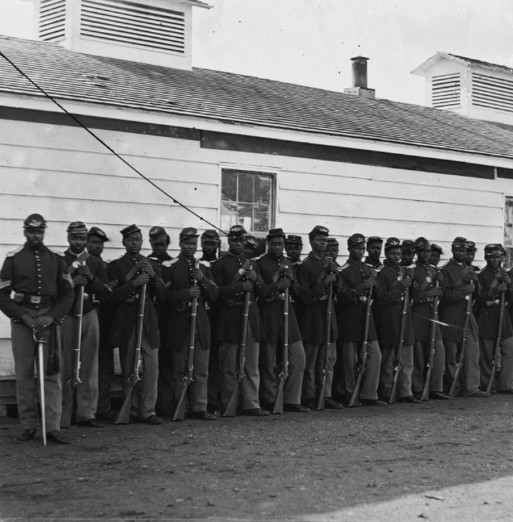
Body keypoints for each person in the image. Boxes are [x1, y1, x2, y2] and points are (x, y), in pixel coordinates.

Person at [0, 214, 74, 443]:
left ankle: (52, 426)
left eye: (39, 231)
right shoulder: (13, 259)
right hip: (23, 321)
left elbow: (67, 293)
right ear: (24, 232)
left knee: (52, 373)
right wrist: (22, 316)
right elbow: (2, 295)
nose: (35, 235)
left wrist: (52, 317)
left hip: (48, 318)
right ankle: (29, 425)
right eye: (31, 231)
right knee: (24, 374)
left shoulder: (56, 259)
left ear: (44, 232)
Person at [107, 224, 166, 424]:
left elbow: (163, 295)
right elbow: (112, 296)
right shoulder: (115, 266)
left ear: (143, 242)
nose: (134, 243)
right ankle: (130, 409)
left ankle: (148, 410)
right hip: (127, 322)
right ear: (124, 242)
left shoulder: (153, 264)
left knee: (151, 367)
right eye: (130, 240)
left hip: (148, 322)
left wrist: (154, 276)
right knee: (129, 366)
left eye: (138, 240)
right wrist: (134, 283)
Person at [211, 225, 269, 416]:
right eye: (234, 240)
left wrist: (256, 280)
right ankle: (230, 403)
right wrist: (239, 287)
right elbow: (216, 293)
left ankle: (251, 404)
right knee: (229, 364)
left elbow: (264, 292)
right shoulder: (220, 264)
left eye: (241, 240)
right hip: (230, 317)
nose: (238, 243)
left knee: (251, 364)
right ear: (229, 241)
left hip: (251, 317)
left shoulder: (252, 264)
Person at [162, 228, 218, 420]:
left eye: (193, 244)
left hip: (200, 322)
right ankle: (181, 406)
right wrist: (186, 294)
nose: (190, 247)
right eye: (187, 243)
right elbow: (163, 297)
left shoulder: (204, 267)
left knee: (201, 368)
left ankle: (199, 407)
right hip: (179, 322)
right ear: (180, 243)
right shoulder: (170, 266)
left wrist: (202, 279)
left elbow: (214, 294)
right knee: (180, 368)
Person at [61, 222, 108, 428]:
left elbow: (106, 292)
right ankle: (64, 412)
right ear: (68, 238)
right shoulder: (60, 261)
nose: (78, 242)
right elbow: (55, 289)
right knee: (66, 364)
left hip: (89, 314)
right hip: (68, 315)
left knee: (89, 365)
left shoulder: (95, 263)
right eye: (74, 238)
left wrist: (90, 277)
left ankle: (86, 413)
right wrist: (72, 281)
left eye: (82, 238)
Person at [257, 228, 309, 413]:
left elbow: (300, 293)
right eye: (273, 243)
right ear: (268, 244)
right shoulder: (260, 263)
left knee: (298, 356)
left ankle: (292, 399)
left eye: (280, 244)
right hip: (269, 313)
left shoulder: (289, 264)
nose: (277, 247)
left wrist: (292, 282)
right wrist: (276, 285)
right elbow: (260, 292)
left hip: (288, 312)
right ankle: (270, 399)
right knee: (269, 359)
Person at [296, 226, 342, 409]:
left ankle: (326, 394)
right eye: (318, 239)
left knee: (328, 361)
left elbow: (339, 292)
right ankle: (309, 396)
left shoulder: (330, 264)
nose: (322, 242)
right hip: (313, 320)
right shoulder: (305, 265)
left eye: (324, 239)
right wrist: (324, 283)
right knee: (311, 362)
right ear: (311, 241)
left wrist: (336, 276)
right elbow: (305, 296)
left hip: (328, 319)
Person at [337, 233, 384, 406]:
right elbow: (341, 296)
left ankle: (369, 394)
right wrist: (362, 287)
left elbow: (377, 294)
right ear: (349, 248)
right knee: (350, 361)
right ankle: (350, 394)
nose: (360, 251)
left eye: (362, 248)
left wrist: (374, 282)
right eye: (357, 248)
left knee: (375, 355)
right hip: (350, 319)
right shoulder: (344, 270)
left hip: (367, 317)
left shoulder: (367, 269)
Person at [439, 237, 487, 397]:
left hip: (467, 314)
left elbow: (477, 295)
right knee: (452, 354)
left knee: (472, 352)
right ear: (453, 250)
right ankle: (454, 387)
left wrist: (475, 284)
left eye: (464, 251)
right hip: (451, 315)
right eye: (459, 250)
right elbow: (445, 296)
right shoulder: (445, 270)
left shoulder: (470, 269)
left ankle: (471, 387)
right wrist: (464, 290)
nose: (462, 253)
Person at [375, 237, 418, 402]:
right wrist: (400, 286)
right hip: (389, 319)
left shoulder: (405, 271)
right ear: (386, 253)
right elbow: (381, 297)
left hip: (405, 318)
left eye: (398, 253)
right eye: (392, 253)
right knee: (388, 359)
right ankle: (386, 391)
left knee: (406, 358)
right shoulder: (381, 272)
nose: (395, 256)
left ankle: (405, 391)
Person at [411, 237, 450, 400]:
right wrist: (428, 293)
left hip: (433, 312)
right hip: (419, 313)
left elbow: (443, 293)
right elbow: (412, 295)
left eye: (428, 251)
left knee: (438, 352)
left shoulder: (435, 271)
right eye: (423, 251)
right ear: (417, 253)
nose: (426, 254)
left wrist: (442, 283)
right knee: (419, 353)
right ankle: (419, 388)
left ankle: (435, 387)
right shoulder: (412, 270)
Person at [86, 226, 116, 421]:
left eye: (100, 243)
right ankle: (83, 409)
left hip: (104, 321)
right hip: (87, 318)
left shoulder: (107, 266)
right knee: (86, 365)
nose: (97, 246)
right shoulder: (80, 264)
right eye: (94, 242)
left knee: (105, 367)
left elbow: (111, 292)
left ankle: (102, 408)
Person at [476, 244, 513, 393]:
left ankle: (506, 384)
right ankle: (487, 384)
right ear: (486, 257)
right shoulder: (481, 275)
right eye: (492, 257)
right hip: (487, 319)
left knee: (509, 349)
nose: (495, 260)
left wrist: (509, 285)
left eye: (498, 257)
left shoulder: (506, 274)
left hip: (504, 319)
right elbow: (480, 298)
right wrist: (496, 287)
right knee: (486, 354)